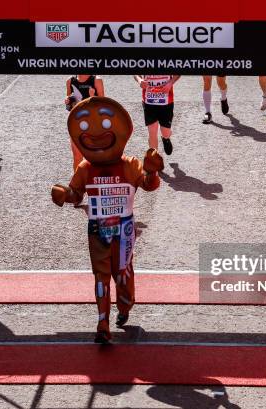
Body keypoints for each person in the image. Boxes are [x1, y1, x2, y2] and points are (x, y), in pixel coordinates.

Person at [51, 96, 163, 344]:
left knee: (122, 275)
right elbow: (76, 193)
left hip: (124, 229)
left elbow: (148, 185)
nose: (94, 134)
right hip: (97, 230)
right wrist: (64, 195)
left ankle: (124, 307)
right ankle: (102, 321)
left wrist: (153, 171)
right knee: (100, 276)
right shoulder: (85, 168)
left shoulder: (130, 164)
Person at [65, 75, 105, 171]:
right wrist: (67, 101)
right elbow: (69, 104)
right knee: (77, 156)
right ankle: (77, 184)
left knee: (94, 156)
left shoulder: (96, 80)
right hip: (75, 122)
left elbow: (103, 104)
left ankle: (93, 182)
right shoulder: (70, 81)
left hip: (93, 123)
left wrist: (92, 97)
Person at [134, 74, 180, 155]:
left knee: (165, 132)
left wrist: (170, 83)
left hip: (166, 101)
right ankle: (154, 160)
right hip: (149, 100)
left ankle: (166, 138)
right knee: (152, 131)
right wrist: (139, 80)